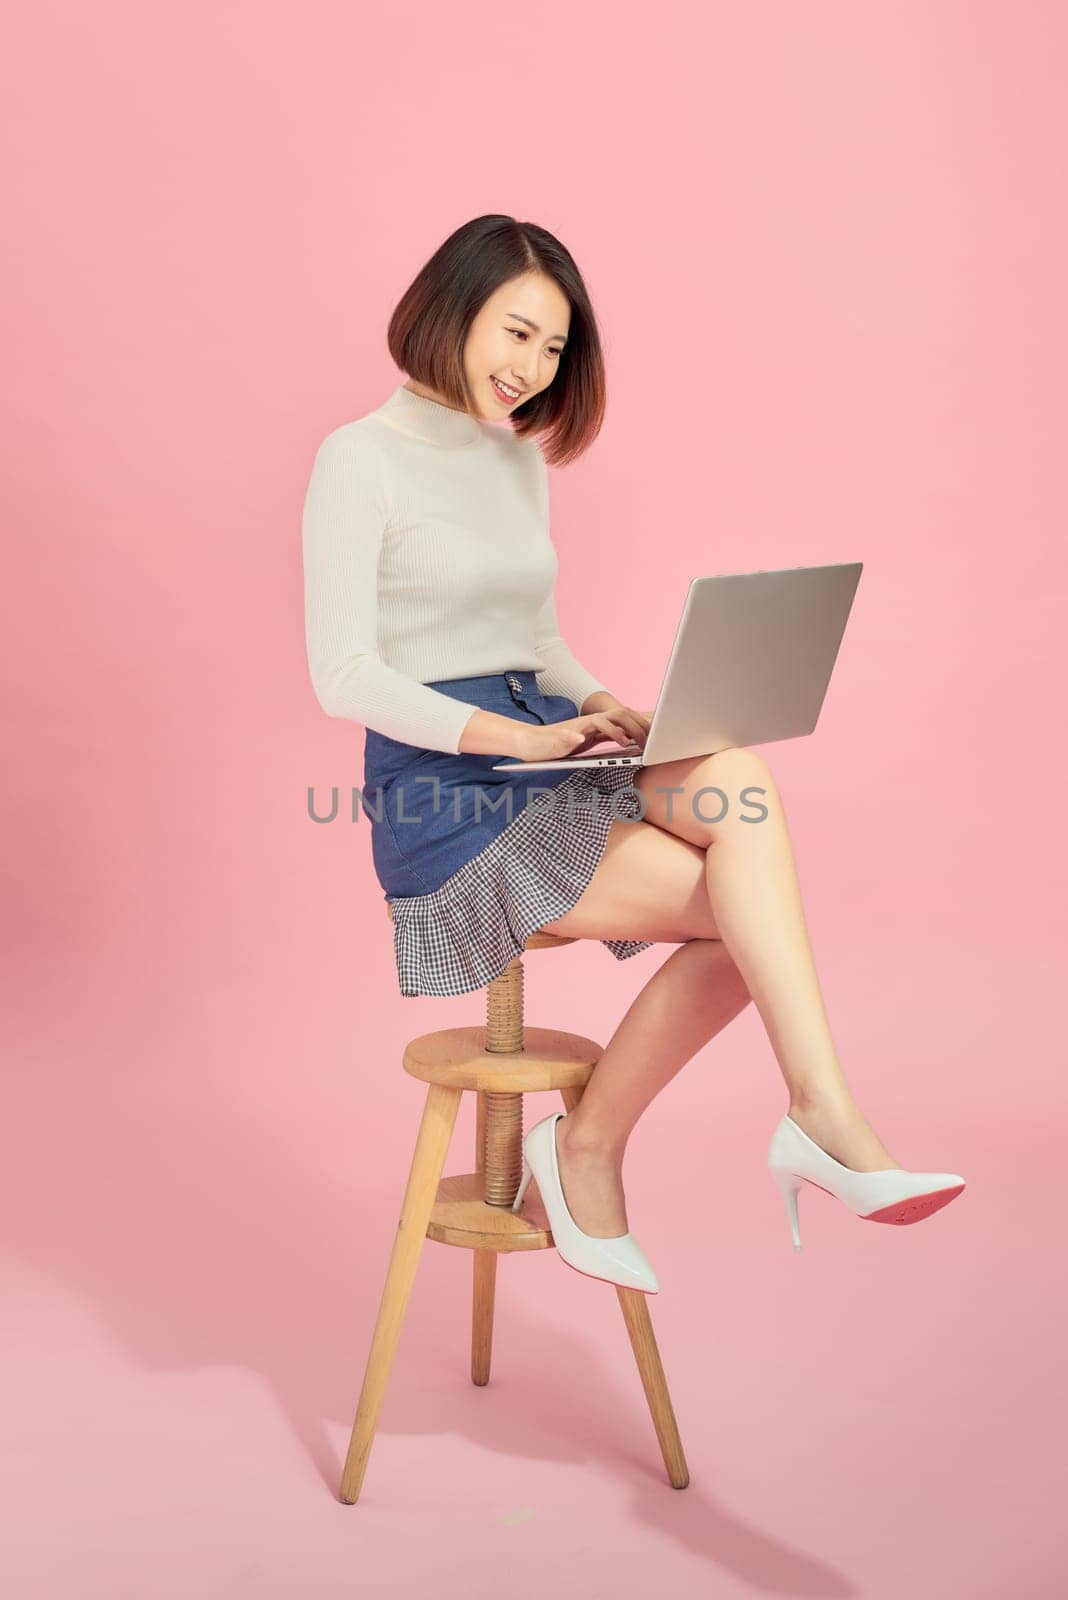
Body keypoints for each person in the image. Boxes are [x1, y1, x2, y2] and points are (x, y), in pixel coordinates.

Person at [301, 213, 964, 1286]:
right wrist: (517, 733)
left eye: (553, 349)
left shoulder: (516, 462)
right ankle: (612, 1144)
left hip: (544, 748)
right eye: (514, 333)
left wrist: (607, 704)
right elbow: (344, 674)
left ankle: (804, 1110)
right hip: (444, 791)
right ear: (449, 311)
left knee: (735, 778)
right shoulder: (358, 458)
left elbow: (538, 638)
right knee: (747, 925)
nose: (529, 369)